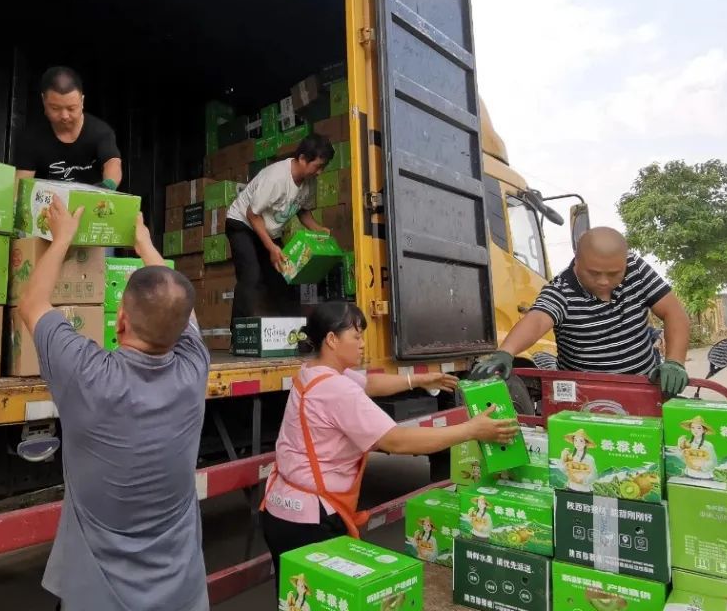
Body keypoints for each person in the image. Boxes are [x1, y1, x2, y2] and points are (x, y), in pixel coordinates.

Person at [18, 196, 209, 611]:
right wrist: (145, 246)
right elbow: (178, 306)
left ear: (120, 321)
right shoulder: (195, 369)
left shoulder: (89, 376)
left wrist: (62, 238)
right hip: (183, 594)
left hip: (100, 597)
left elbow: (31, 304)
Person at [260, 302, 518, 590]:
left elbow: (369, 384)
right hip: (309, 521)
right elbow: (395, 440)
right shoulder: (337, 389)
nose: (362, 344)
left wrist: (419, 379)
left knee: (297, 600)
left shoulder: (313, 371)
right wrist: (471, 430)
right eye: (356, 336)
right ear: (332, 339)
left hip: (281, 509)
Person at [471, 227, 692, 396]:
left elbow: (674, 313)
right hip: (584, 399)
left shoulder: (636, 269)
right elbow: (537, 320)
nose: (604, 281)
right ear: (577, 260)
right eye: (594, 273)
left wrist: (674, 362)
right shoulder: (561, 290)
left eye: (614, 274)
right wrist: (506, 352)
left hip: (642, 390)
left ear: (624, 263)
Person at [226, 133, 334, 325]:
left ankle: (292, 332)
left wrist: (318, 230)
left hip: (268, 229)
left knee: (284, 277)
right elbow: (252, 214)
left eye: (323, 167)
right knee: (251, 276)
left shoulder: (309, 182)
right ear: (302, 158)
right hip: (242, 223)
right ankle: (240, 333)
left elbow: (302, 211)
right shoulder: (275, 178)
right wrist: (271, 248)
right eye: (318, 166)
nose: (319, 172)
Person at [14, 66, 122, 188]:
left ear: (82, 101)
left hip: (92, 197)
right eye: (55, 108)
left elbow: (112, 163)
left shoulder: (100, 132)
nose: (64, 116)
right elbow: (21, 185)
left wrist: (107, 187)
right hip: (48, 198)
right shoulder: (31, 137)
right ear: (43, 100)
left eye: (71, 108)